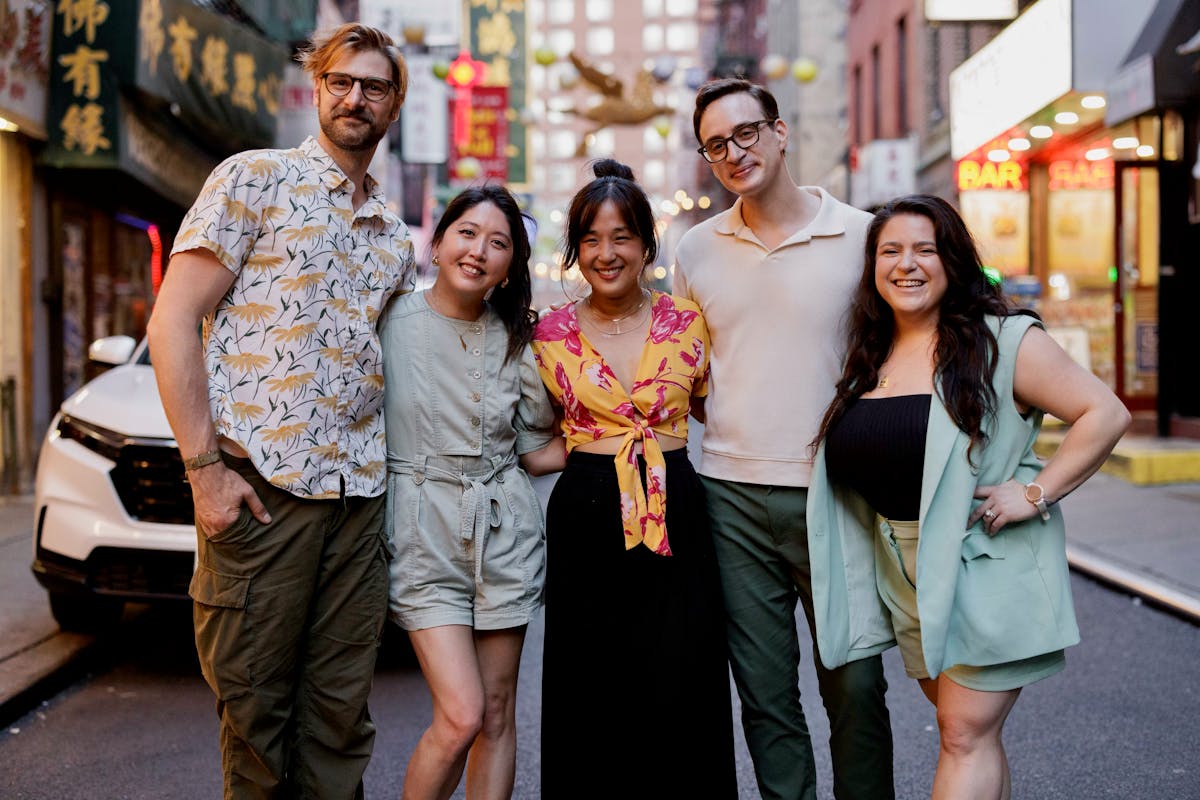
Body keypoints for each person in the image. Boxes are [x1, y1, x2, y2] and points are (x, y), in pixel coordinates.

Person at [146, 23, 413, 799]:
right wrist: (204, 473)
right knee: (256, 717)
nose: (355, 97)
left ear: (394, 104)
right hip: (263, 497)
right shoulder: (251, 179)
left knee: (339, 722)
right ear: (317, 88)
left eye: (374, 86)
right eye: (341, 82)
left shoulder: (394, 236)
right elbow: (171, 323)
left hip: (357, 507)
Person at [808, 194, 1131, 800]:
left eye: (925, 249)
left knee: (961, 735)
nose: (907, 264)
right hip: (906, 574)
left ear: (952, 260)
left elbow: (1104, 412)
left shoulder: (1003, 342)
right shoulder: (870, 353)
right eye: (890, 251)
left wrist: (1034, 492)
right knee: (971, 736)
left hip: (984, 562)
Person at [673, 78, 894, 799]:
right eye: (715, 145)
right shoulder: (697, 250)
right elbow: (689, 374)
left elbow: (898, 355)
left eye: (745, 133)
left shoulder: (862, 236)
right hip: (731, 497)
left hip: (839, 494)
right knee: (766, 698)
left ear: (780, 131)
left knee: (856, 686)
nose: (733, 153)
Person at [532, 159, 736, 798]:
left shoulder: (689, 322)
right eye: (590, 239)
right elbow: (530, 432)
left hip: (676, 504)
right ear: (575, 251)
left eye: (621, 237)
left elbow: (720, 408)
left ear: (647, 245)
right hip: (585, 514)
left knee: (683, 672)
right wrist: (575, 450)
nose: (605, 253)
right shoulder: (547, 334)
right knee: (589, 681)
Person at [380, 185, 563, 800]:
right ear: (437, 240)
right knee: (460, 715)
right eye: (467, 232)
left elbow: (536, 451)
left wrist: (625, 432)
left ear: (512, 265)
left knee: (497, 711)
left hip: (504, 532)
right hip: (421, 532)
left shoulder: (518, 341)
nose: (479, 250)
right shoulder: (388, 320)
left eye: (499, 242)